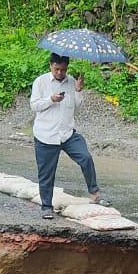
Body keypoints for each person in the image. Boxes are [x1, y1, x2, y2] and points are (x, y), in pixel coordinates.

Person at [30, 53, 109, 220]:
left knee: (85, 157)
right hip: (46, 135)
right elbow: (34, 106)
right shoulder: (41, 82)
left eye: (63, 70)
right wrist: (51, 99)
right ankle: (46, 206)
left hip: (67, 133)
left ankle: (95, 194)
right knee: (46, 173)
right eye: (57, 69)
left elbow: (76, 107)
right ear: (50, 66)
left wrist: (79, 91)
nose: (60, 73)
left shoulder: (71, 81)